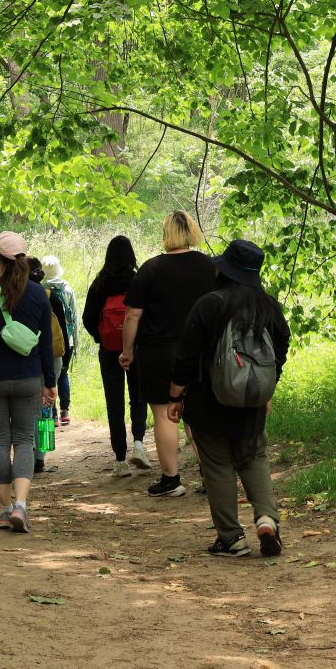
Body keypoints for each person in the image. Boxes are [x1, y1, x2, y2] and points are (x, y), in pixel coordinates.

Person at [167, 239, 291, 557]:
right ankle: (266, 518)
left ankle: (232, 539)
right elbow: (280, 352)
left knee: (218, 465)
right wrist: (265, 389)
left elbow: (185, 354)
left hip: (208, 403)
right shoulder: (269, 307)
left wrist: (175, 396)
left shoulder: (209, 304)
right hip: (251, 405)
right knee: (254, 458)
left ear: (225, 270)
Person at [0, 231, 57, 533]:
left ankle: (5, 510)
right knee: (24, 440)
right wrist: (50, 382)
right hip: (28, 378)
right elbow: (45, 346)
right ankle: (21, 506)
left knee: (1, 441)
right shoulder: (38, 294)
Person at [120, 211, 215, 497]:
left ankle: (171, 479)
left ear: (166, 233)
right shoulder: (209, 267)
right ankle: (212, 475)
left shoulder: (151, 269)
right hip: (199, 352)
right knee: (196, 415)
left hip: (158, 352)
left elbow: (132, 316)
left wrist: (126, 352)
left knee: (164, 414)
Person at [82, 236, 149, 477]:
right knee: (138, 396)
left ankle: (120, 460)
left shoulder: (99, 284)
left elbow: (88, 319)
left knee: (114, 402)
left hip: (109, 351)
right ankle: (139, 445)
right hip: (137, 349)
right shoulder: (137, 280)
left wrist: (102, 338)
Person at [28, 256, 69, 474]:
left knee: (29, 407)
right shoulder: (50, 295)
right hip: (53, 356)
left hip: (29, 357)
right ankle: (41, 457)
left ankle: (29, 451)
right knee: (46, 408)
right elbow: (62, 329)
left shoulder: (19, 296)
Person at [41, 256, 77, 425]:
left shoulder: (40, 290)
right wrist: (74, 343)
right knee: (63, 375)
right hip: (65, 339)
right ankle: (65, 412)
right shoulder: (67, 290)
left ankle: (52, 414)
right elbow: (74, 318)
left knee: (48, 376)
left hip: (47, 341)